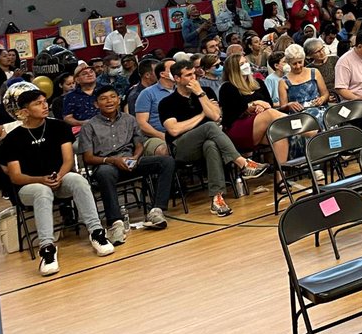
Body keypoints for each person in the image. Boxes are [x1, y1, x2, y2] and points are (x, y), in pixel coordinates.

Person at [0, 82, 115, 276]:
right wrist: (41, 180)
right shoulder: (12, 139)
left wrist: (59, 176)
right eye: (38, 103)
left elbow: (68, 160)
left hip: (58, 178)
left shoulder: (59, 127)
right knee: (42, 191)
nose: (45, 106)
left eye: (45, 101)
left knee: (78, 180)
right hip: (30, 186)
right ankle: (47, 249)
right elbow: (16, 176)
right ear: (25, 112)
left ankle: (97, 233)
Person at [160, 61, 268, 216]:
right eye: (188, 75)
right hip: (182, 147)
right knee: (209, 127)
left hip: (207, 142)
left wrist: (200, 94)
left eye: (194, 73)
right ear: (177, 78)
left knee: (210, 145)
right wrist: (202, 115)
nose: (194, 78)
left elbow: (216, 116)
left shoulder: (206, 92)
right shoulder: (167, 102)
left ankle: (217, 200)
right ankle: (243, 163)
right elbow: (174, 130)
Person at [79, 86, 174, 240]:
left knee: (166, 161)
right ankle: (115, 222)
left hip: (130, 161)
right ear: (96, 104)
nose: (109, 101)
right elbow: (88, 158)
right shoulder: (89, 126)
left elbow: (139, 144)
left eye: (112, 97)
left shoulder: (129, 119)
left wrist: (135, 158)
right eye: (103, 98)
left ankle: (156, 210)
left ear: (118, 100)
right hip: (107, 164)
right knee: (104, 172)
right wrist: (112, 160)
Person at [279, 44, 329, 121]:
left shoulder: (314, 72)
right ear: (288, 63)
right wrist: (288, 105)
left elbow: (325, 94)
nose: (298, 66)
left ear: (304, 59)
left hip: (319, 111)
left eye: (300, 62)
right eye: (294, 64)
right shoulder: (283, 82)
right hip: (299, 116)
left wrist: (322, 99)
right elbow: (282, 107)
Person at [61, 63, 103, 127]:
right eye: (85, 73)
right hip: (82, 129)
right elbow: (67, 118)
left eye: (91, 72)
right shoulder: (70, 96)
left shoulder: (106, 90)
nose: (89, 74)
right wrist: (82, 123)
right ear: (77, 80)